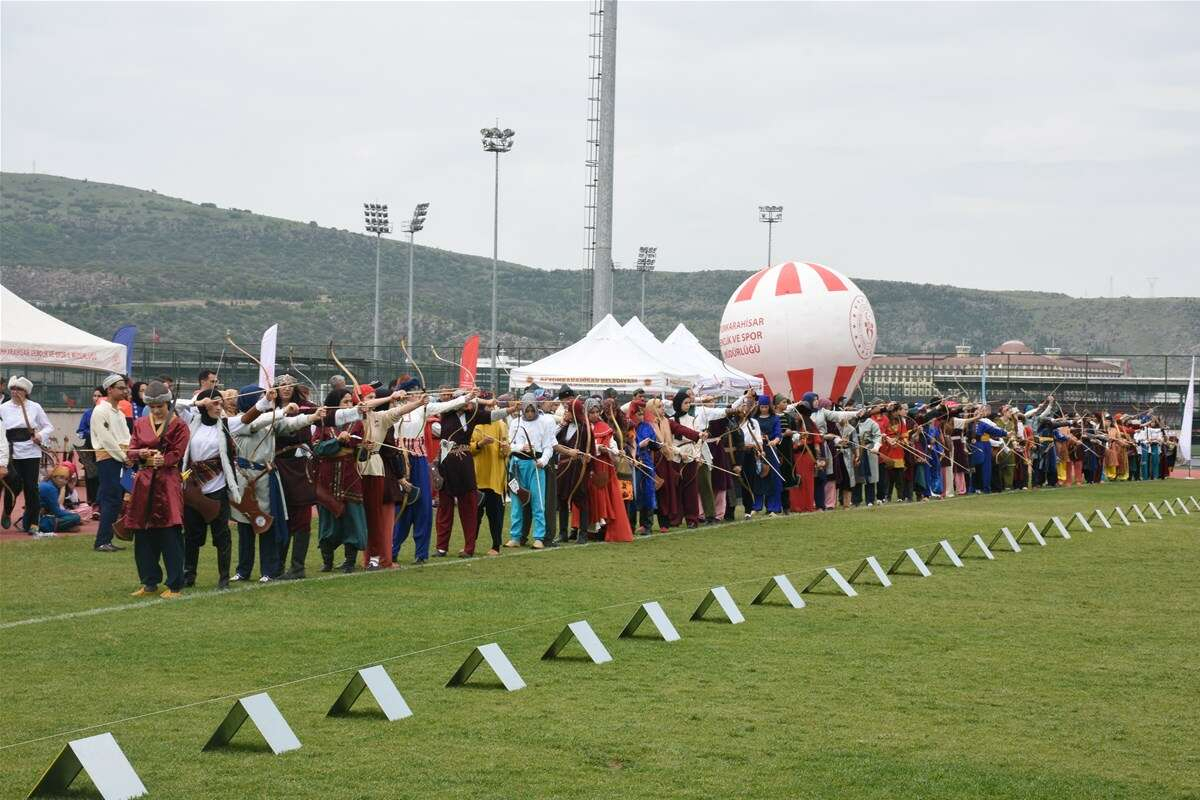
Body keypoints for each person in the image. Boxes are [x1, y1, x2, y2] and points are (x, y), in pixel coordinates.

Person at [391, 378, 469, 565]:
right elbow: (374, 406)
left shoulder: (422, 408)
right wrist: (394, 396)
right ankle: (392, 550)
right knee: (399, 507)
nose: (418, 394)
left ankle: (421, 553)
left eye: (418, 391)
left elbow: (444, 406)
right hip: (399, 460)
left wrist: (466, 398)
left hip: (418, 461)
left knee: (423, 506)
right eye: (413, 391)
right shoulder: (392, 408)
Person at [124, 381, 190, 598]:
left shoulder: (179, 425)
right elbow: (130, 451)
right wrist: (140, 453)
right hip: (144, 482)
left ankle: (175, 584)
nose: (156, 410)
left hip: (167, 482)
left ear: (167, 403)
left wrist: (165, 459)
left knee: (169, 533)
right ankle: (149, 581)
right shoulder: (140, 423)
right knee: (142, 534)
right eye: (152, 406)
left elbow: (178, 453)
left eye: (160, 406)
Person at [178, 388, 238, 589]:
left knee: (222, 536)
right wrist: (197, 403)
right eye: (214, 403)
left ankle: (223, 578)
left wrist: (267, 402)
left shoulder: (227, 425)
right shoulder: (191, 421)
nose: (218, 406)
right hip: (194, 489)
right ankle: (189, 575)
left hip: (217, 489)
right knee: (192, 536)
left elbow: (252, 418)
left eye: (220, 403)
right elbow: (173, 405)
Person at [273, 375, 318, 579]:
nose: (286, 388)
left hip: (301, 465)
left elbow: (327, 415)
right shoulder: (269, 409)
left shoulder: (307, 407)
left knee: (302, 516)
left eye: (290, 385)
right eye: (282, 385)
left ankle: (297, 567)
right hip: (278, 465)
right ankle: (278, 565)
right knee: (282, 514)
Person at [1, 376, 55, 535]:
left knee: (31, 488)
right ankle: (7, 511)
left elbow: (48, 427)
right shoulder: (3, 408)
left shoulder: (34, 407)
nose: (15, 392)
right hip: (11, 451)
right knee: (13, 484)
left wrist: (40, 436)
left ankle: (33, 522)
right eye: (13, 389)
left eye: (19, 389)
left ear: (26, 392)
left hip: (31, 451)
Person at [505, 393, 556, 549]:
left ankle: (539, 537)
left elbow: (548, 446)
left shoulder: (544, 422)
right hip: (517, 466)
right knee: (516, 501)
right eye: (526, 411)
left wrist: (543, 460)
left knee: (538, 502)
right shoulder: (515, 423)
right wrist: (521, 447)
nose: (529, 413)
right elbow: (509, 445)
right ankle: (516, 536)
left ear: (536, 407)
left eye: (532, 410)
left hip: (535, 465)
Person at [89, 374, 131, 551]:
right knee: (110, 500)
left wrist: (130, 455)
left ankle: (107, 539)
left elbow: (127, 437)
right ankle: (102, 541)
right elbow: (106, 439)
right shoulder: (100, 411)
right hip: (109, 459)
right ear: (110, 390)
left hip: (121, 458)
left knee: (116, 499)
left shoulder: (120, 413)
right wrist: (123, 456)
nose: (125, 390)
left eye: (125, 387)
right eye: (120, 388)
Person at [585, 397, 634, 542]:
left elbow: (611, 444)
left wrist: (617, 451)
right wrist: (597, 448)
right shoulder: (583, 426)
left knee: (606, 500)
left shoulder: (605, 427)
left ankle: (604, 530)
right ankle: (586, 530)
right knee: (590, 500)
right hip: (588, 469)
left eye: (596, 412)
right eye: (591, 412)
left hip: (604, 469)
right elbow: (582, 446)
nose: (594, 415)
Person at [470, 393, 509, 556]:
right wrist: (480, 444)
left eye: (491, 406)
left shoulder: (500, 424)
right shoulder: (474, 424)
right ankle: (470, 544)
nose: (490, 409)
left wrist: (505, 448)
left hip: (494, 478)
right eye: (487, 406)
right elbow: (470, 448)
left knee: (495, 516)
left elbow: (505, 451)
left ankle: (496, 545)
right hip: (477, 477)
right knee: (474, 516)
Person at [75, 387, 104, 517]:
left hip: (105, 449)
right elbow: (80, 431)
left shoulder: (109, 413)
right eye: (94, 395)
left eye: (99, 395)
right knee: (90, 476)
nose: (96, 398)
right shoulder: (88, 413)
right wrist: (91, 433)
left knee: (102, 477)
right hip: (90, 448)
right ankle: (91, 504)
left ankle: (101, 504)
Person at [37, 465, 81, 534]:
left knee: (75, 516)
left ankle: (66, 526)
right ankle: (65, 528)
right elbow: (57, 512)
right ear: (54, 477)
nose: (63, 481)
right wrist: (71, 513)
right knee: (76, 517)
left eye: (66, 479)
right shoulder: (51, 488)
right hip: (38, 523)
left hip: (33, 521)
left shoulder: (47, 484)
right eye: (61, 478)